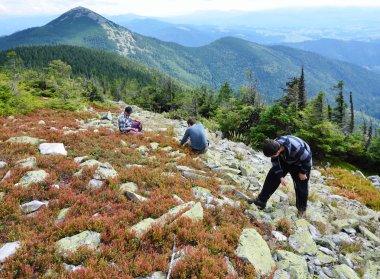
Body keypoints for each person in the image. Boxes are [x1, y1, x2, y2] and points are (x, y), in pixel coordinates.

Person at [248, 135, 312, 218]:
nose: (272, 157)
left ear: (277, 152)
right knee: (272, 176)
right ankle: (260, 201)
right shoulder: (273, 145)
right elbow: (275, 163)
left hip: (300, 163)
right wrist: (281, 177)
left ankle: (301, 210)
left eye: (272, 156)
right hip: (284, 159)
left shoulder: (297, 148)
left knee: (301, 186)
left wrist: (303, 172)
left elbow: (307, 160)